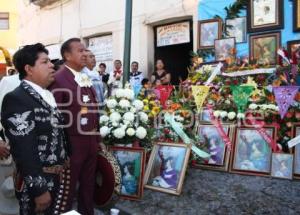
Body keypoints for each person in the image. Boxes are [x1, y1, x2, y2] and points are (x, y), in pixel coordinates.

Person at [1, 43, 70, 215]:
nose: (52, 65)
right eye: (45, 62)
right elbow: (24, 149)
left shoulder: (45, 94)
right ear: (29, 69)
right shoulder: (17, 98)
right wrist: (39, 190)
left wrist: (65, 155)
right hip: (38, 182)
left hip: (55, 177)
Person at [49, 38, 100, 215]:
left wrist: (97, 138)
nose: (85, 54)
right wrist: (61, 151)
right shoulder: (58, 78)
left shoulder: (85, 76)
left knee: (88, 186)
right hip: (72, 144)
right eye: (80, 51)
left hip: (91, 142)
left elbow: (92, 109)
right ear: (67, 55)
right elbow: (54, 119)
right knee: (67, 190)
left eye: (86, 50)